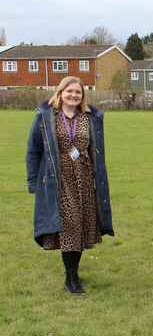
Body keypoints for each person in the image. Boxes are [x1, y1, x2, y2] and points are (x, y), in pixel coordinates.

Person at [26, 76, 114, 295]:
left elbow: (96, 150)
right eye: (69, 91)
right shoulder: (46, 118)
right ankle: (71, 278)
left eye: (78, 92)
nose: (74, 95)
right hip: (59, 178)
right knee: (70, 225)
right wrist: (33, 182)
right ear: (60, 93)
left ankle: (73, 273)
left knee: (82, 226)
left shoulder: (89, 118)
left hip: (84, 178)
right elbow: (33, 150)